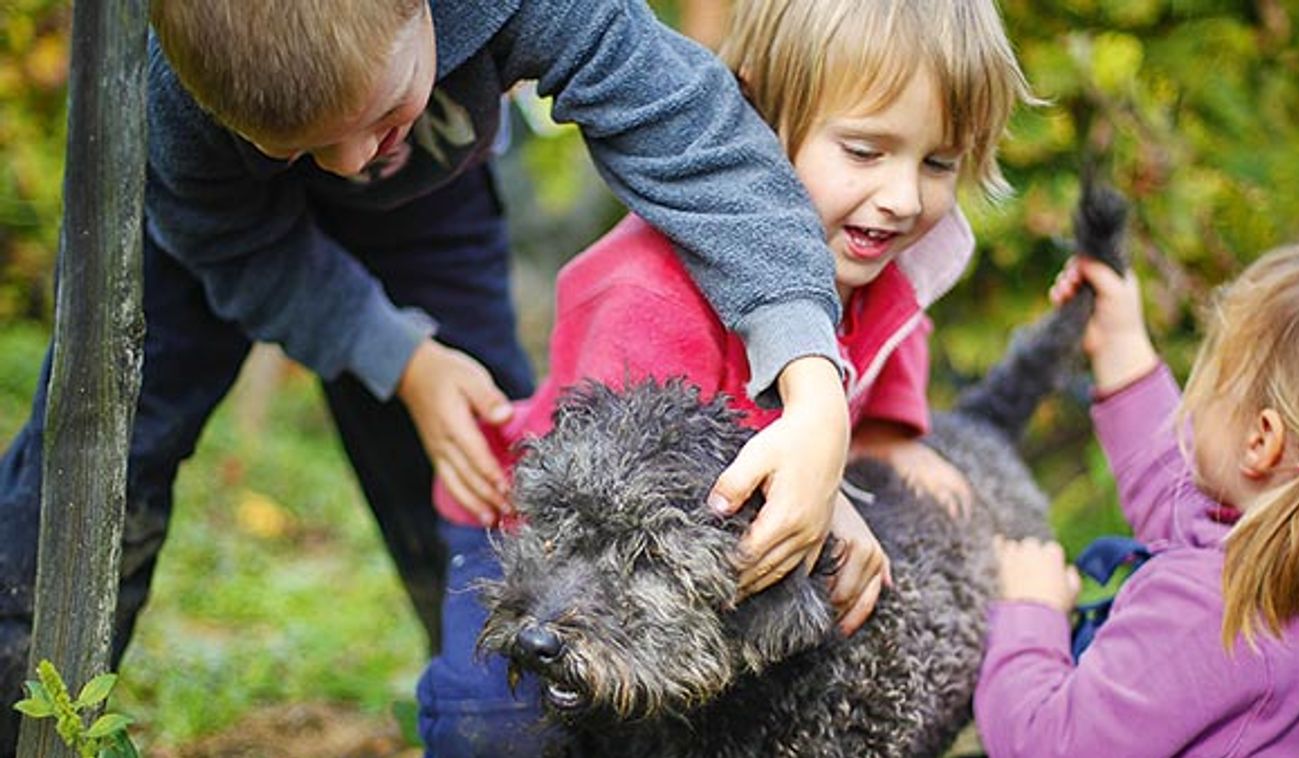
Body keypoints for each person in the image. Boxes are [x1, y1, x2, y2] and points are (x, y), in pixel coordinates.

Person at [0, 0, 863, 752]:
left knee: (472, 474)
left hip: (429, 214)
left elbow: (688, 136)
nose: (346, 164)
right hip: (207, 242)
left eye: (376, 116)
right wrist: (398, 357)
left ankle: (502, 713)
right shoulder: (176, 103)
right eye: (297, 146)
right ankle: (25, 714)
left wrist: (809, 375)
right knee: (95, 484)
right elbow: (230, 242)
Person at [423, 0, 1036, 752]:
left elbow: (894, 336)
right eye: (865, 151)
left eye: (937, 163)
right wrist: (820, 502)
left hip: (658, 561)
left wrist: (886, 434)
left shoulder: (876, 251)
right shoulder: (645, 299)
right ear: (758, 121)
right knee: (501, 725)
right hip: (543, 533)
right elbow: (618, 490)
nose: (903, 197)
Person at [976, 245, 1299, 755]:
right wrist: (1120, 345)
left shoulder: (1219, 616)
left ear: (1261, 441)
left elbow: (1048, 743)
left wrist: (1030, 612)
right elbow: (1189, 508)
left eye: (1217, 380)